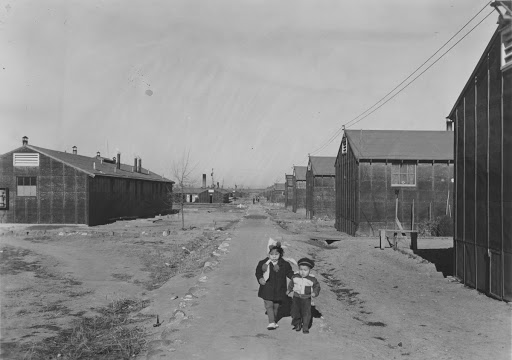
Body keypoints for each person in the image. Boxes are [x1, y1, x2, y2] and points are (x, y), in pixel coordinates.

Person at [255, 241, 294, 330]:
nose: (274, 256)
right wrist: (260, 278)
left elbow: (289, 272)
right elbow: (258, 272)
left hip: (279, 288)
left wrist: (294, 277)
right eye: (272, 254)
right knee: (269, 305)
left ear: (280, 254)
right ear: (269, 254)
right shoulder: (263, 263)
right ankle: (271, 322)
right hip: (267, 288)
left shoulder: (284, 264)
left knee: (276, 306)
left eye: (276, 254)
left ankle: (274, 320)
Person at [287, 257, 320, 334]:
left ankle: (305, 326)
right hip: (296, 297)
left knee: (306, 313)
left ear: (309, 270)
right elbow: (291, 284)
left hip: (306, 298)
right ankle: (297, 323)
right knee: (295, 312)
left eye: (305, 270)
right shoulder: (295, 277)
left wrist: (315, 293)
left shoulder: (312, 279)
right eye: (301, 269)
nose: (302, 272)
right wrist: (289, 290)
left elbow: (317, 287)